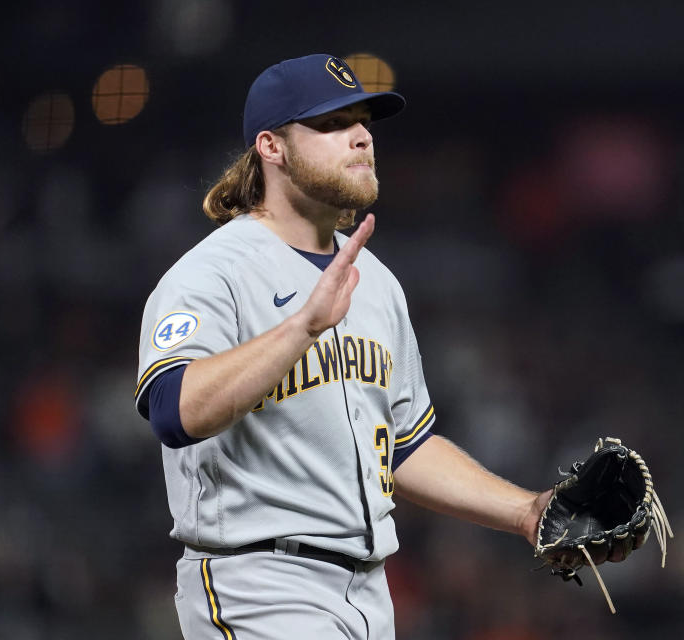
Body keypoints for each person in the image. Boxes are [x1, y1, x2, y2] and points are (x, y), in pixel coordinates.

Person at [134, 53, 621, 639]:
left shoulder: (376, 281)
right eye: (332, 123)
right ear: (272, 147)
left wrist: (525, 511)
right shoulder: (213, 274)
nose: (362, 136)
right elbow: (174, 411)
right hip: (257, 585)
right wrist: (301, 328)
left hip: (367, 594)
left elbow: (402, 446)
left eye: (363, 121)